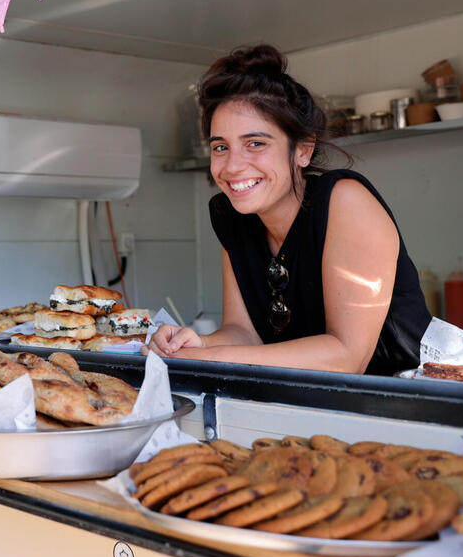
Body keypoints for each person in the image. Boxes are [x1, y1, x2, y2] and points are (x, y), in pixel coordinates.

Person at [145, 45, 429, 376]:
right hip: (310, 407)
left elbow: (347, 356)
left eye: (256, 143)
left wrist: (211, 358)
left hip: (409, 405)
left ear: (302, 151)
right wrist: (196, 344)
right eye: (221, 147)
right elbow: (244, 333)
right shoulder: (233, 216)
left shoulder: (345, 201)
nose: (233, 166)